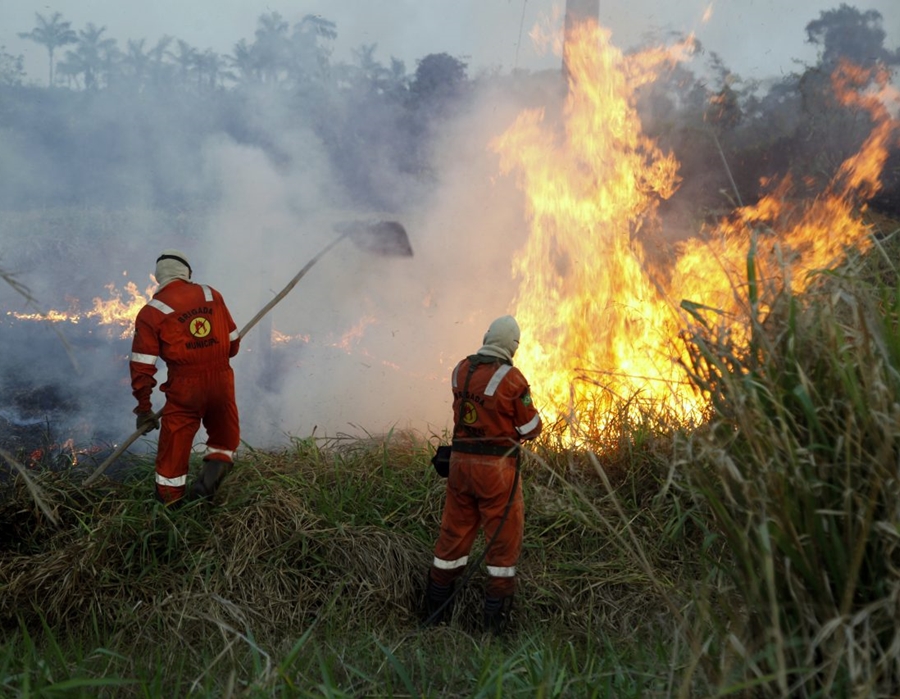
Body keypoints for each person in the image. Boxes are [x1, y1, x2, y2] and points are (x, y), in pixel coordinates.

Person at [424, 315, 542, 634]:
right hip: (496, 472)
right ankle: (494, 627)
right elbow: (530, 429)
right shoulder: (513, 379)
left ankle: (434, 616)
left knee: (453, 537)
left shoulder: (460, 369)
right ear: (513, 346)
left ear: (486, 336)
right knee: (502, 544)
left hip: (460, 466)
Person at [129, 249, 241, 506]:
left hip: (184, 390)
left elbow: (142, 367)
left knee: (173, 455)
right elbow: (233, 344)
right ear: (187, 273)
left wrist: (144, 409)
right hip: (222, 382)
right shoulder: (212, 294)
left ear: (159, 278)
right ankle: (206, 491)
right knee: (224, 440)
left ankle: (171, 511)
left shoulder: (151, 312)